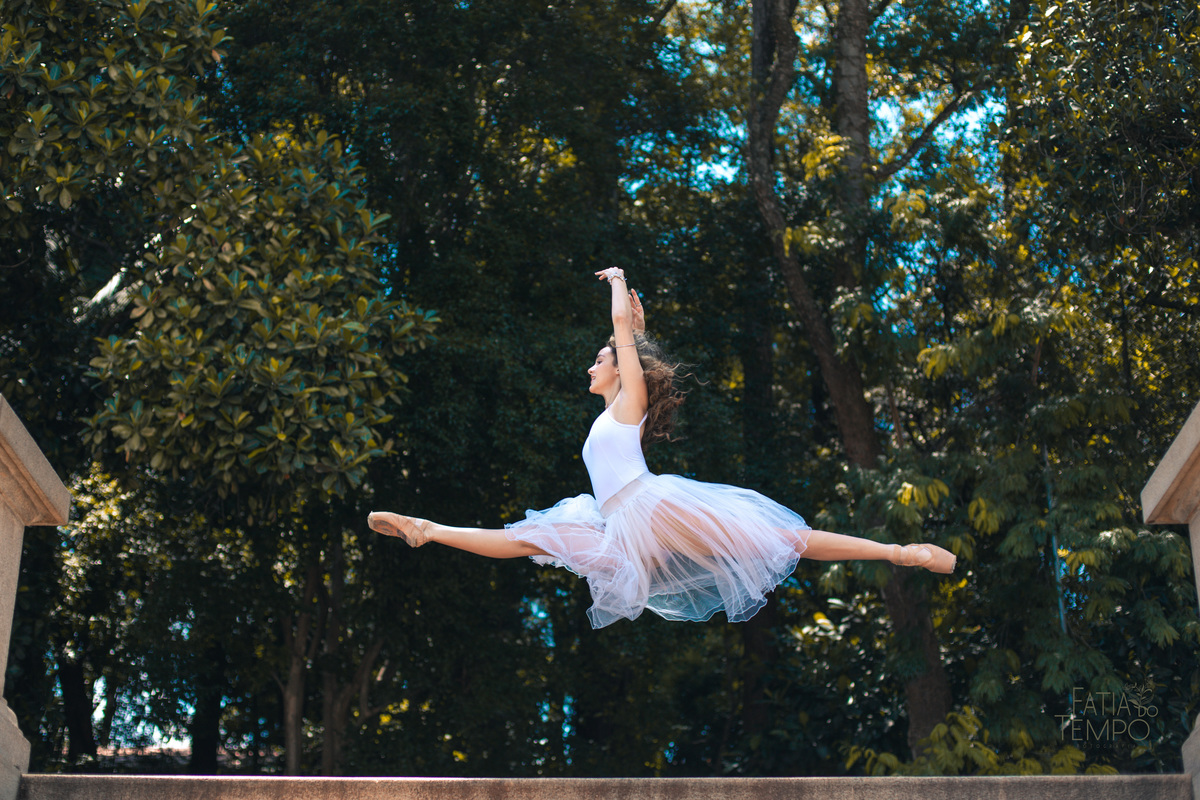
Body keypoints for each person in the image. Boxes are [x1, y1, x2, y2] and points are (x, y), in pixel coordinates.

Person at [368, 268, 955, 628]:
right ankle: (428, 529)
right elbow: (633, 344)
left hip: (651, 510)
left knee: (782, 541)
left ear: (622, 374)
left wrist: (619, 281)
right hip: (613, 521)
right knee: (531, 538)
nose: (592, 365)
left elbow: (625, 339)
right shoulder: (611, 414)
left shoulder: (629, 404)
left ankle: (901, 552)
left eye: (602, 359)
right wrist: (639, 336)